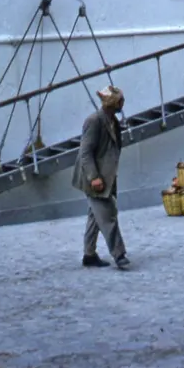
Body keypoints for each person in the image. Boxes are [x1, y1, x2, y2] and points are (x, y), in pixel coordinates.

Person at [72, 86, 130, 269]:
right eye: (120, 100)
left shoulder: (113, 121)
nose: (123, 103)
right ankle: (119, 254)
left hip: (106, 177)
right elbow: (85, 153)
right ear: (113, 103)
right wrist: (94, 177)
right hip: (95, 179)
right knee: (108, 215)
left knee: (95, 216)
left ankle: (89, 254)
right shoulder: (94, 121)